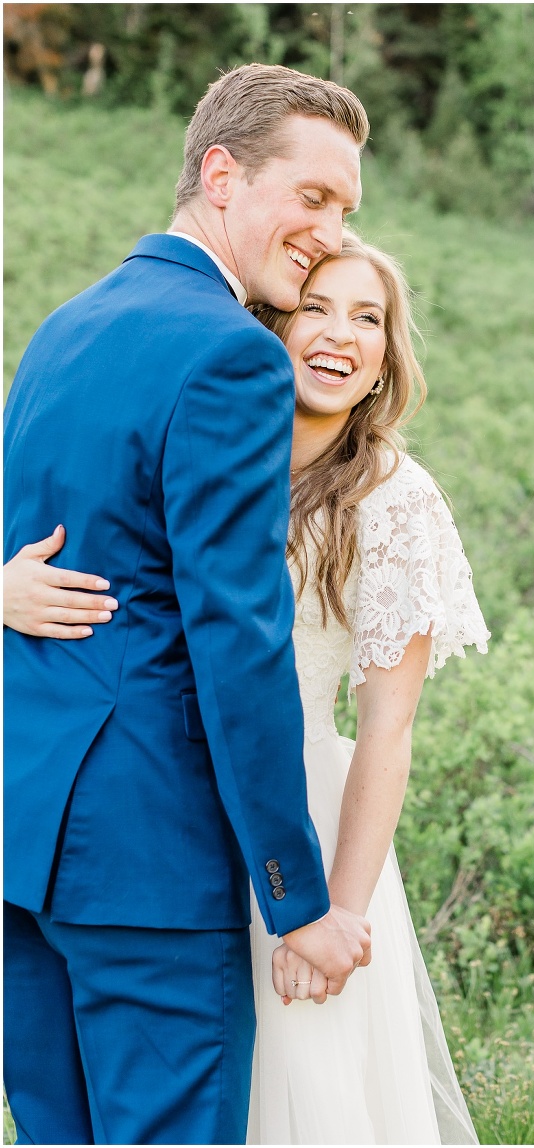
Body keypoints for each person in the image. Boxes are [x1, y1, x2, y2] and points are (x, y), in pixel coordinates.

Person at [5, 231, 490, 1144]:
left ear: (389, 354)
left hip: (300, 823)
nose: (340, 333)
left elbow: (387, 730)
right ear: (271, 320)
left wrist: (334, 909)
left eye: (369, 317)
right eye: (318, 306)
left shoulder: (394, 500)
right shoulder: (211, 432)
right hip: (159, 815)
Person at [3, 64, 373, 1146]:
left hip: (27, 854)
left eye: (347, 210)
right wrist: (295, 896)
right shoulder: (233, 357)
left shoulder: (63, 330)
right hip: (151, 871)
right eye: (313, 197)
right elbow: (239, 639)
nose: (330, 231)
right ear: (221, 173)